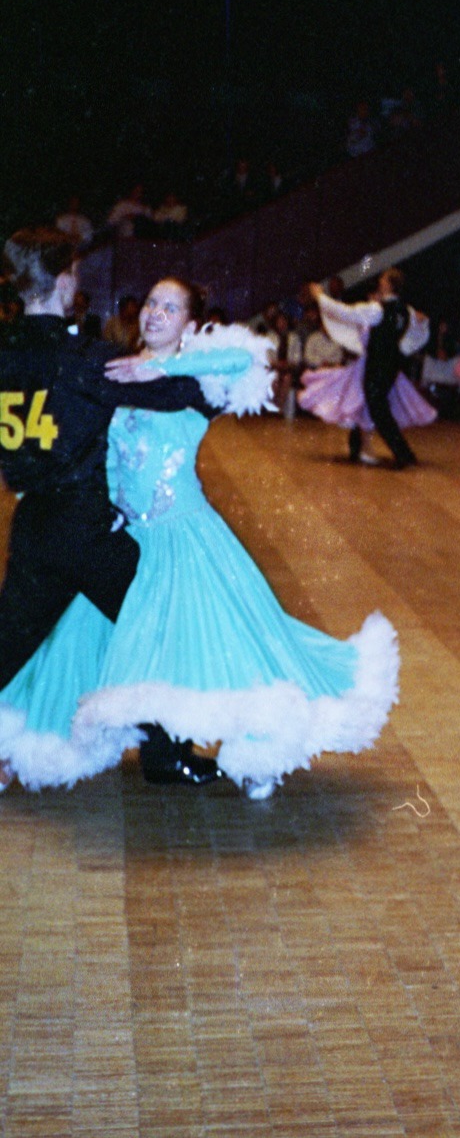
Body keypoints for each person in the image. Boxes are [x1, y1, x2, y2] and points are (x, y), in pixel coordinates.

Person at [0, 276, 400, 797]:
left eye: (170, 307)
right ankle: (160, 754)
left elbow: (243, 361)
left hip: (185, 539)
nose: (155, 314)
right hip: (129, 536)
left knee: (220, 644)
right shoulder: (113, 373)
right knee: (143, 649)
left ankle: (259, 750)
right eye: (150, 303)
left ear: (190, 323)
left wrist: (159, 365)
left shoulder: (193, 381)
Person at [0, 233, 214, 787]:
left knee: (9, 641)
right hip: (86, 527)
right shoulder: (85, 359)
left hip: (32, 525)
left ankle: (163, 750)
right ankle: (166, 755)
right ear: (64, 280)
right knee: (155, 624)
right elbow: (180, 395)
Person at [300, 280, 435, 464]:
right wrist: (423, 323)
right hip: (390, 366)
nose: (381, 282)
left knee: (376, 409)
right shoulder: (406, 310)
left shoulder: (377, 310)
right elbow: (416, 331)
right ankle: (358, 448)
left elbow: (344, 313)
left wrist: (320, 296)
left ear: (389, 286)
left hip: (375, 365)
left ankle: (403, 453)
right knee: (366, 404)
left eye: (384, 280)